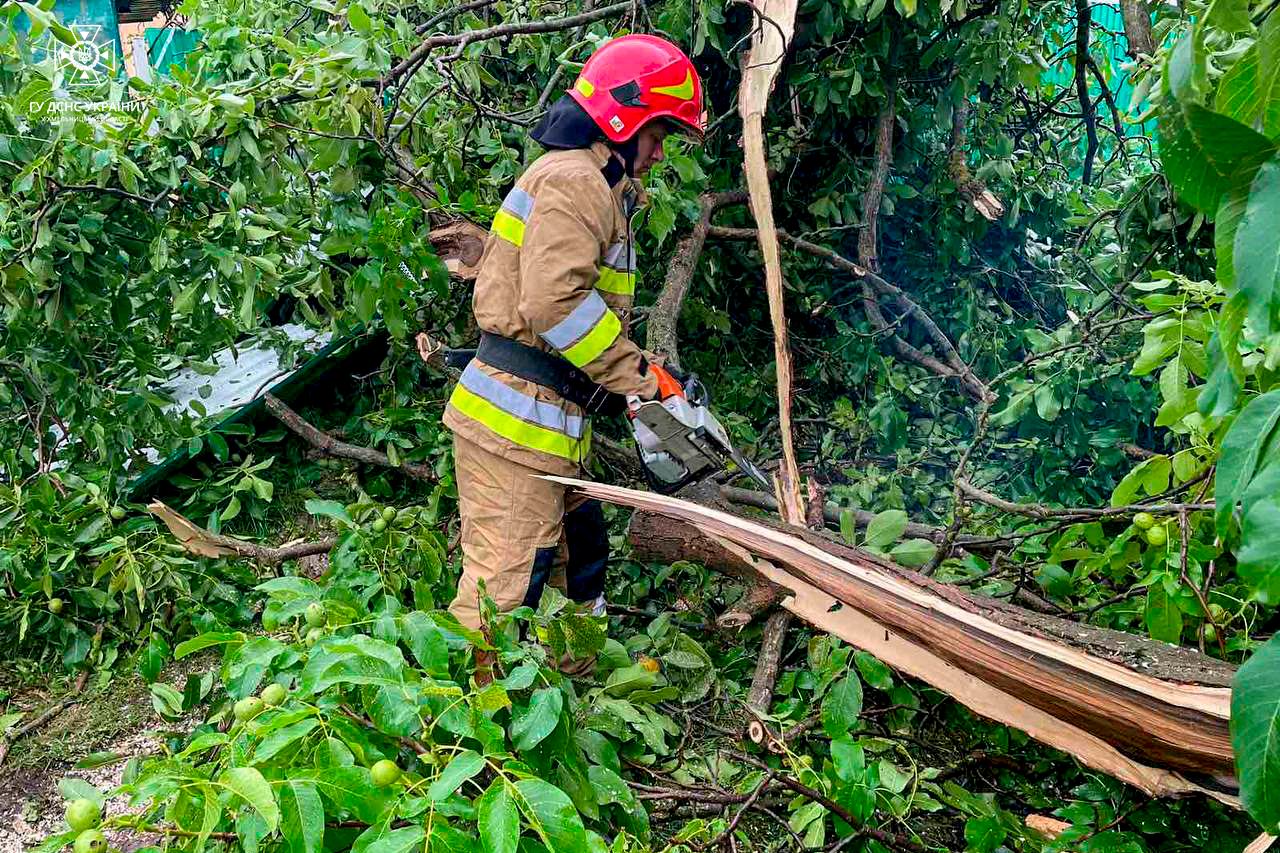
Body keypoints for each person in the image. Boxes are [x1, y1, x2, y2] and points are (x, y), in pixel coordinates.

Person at [439, 34, 706, 659]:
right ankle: (460, 730)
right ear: (625, 118)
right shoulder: (575, 181)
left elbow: (579, 309)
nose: (660, 154)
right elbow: (555, 302)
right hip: (515, 423)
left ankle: (568, 702)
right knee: (502, 594)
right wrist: (636, 378)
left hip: (549, 424)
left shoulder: (594, 185)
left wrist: (642, 378)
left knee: (576, 567)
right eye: (659, 134)